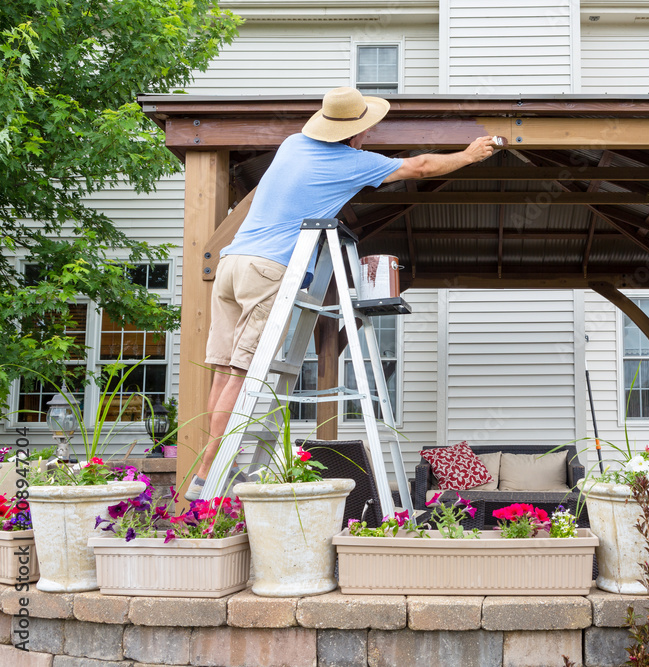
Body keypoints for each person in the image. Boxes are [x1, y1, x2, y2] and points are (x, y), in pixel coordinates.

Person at [186, 87, 496, 500]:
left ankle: (206, 468)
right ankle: (210, 471)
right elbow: (420, 167)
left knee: (224, 371)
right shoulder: (352, 162)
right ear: (357, 132)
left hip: (232, 262)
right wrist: (469, 155)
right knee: (243, 374)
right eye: (367, 128)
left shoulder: (293, 144)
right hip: (268, 267)